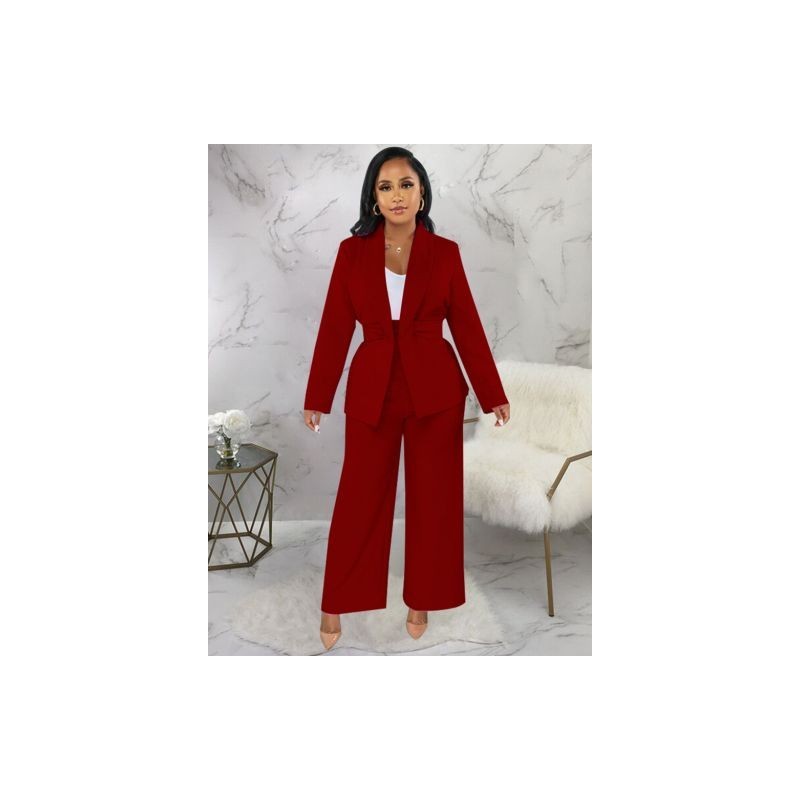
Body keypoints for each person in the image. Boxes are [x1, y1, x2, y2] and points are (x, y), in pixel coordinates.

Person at [303, 147, 511, 651]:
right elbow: (335, 326)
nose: (397, 195)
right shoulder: (351, 253)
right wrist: (318, 396)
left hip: (435, 391)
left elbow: (466, 324)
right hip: (372, 390)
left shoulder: (446, 253)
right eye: (386, 186)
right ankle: (335, 602)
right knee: (359, 501)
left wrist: (491, 393)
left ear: (422, 193)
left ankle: (421, 601)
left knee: (434, 503)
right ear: (373, 198)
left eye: (406, 184)